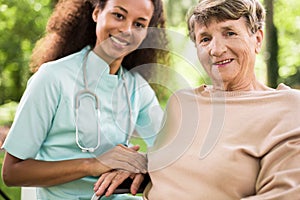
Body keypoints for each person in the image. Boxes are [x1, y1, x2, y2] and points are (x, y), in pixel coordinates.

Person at [1, 0, 168, 199]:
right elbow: (12, 173)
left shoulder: (137, 88)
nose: (126, 29)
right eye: (119, 15)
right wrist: (92, 165)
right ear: (97, 13)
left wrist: (140, 165)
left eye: (139, 24)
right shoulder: (52, 78)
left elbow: (170, 153)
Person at [144, 0, 300, 199]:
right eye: (205, 39)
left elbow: (285, 194)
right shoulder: (181, 103)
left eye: (230, 33)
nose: (216, 50)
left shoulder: (289, 108)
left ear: (258, 39)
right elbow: (163, 169)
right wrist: (135, 166)